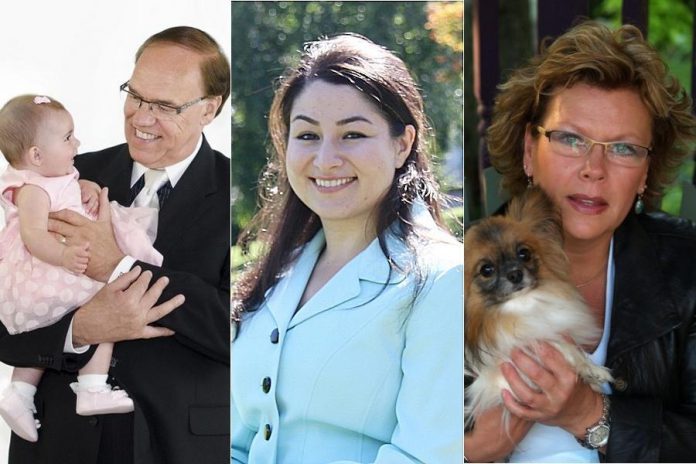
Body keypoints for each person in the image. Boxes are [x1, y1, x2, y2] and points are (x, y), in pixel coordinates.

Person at [464, 21, 696, 462]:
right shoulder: (461, 267)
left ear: (646, 172)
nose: (594, 168)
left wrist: (590, 414)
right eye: (571, 139)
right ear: (530, 150)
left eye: (624, 148)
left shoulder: (688, 269)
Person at [0, 26, 230, 464]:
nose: (142, 117)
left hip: (179, 447)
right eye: (136, 95)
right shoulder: (59, 175)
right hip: (57, 444)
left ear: (209, 110)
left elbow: (234, 328)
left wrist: (119, 266)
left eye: (164, 105)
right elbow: (5, 307)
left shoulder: (241, 192)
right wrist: (79, 331)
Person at [231, 34, 463, 463]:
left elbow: (425, 455)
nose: (325, 159)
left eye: (352, 134)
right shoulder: (279, 275)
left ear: (402, 144)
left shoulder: (443, 279)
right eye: (307, 135)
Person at [0, 94, 165, 442]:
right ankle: (87, 389)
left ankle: (24, 393)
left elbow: (70, 190)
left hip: (59, 267)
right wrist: (63, 258)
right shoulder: (31, 191)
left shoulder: (57, 175)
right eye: (67, 137)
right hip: (47, 269)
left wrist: (86, 187)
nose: (77, 143)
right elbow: (31, 236)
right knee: (107, 302)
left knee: (100, 310)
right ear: (36, 155)